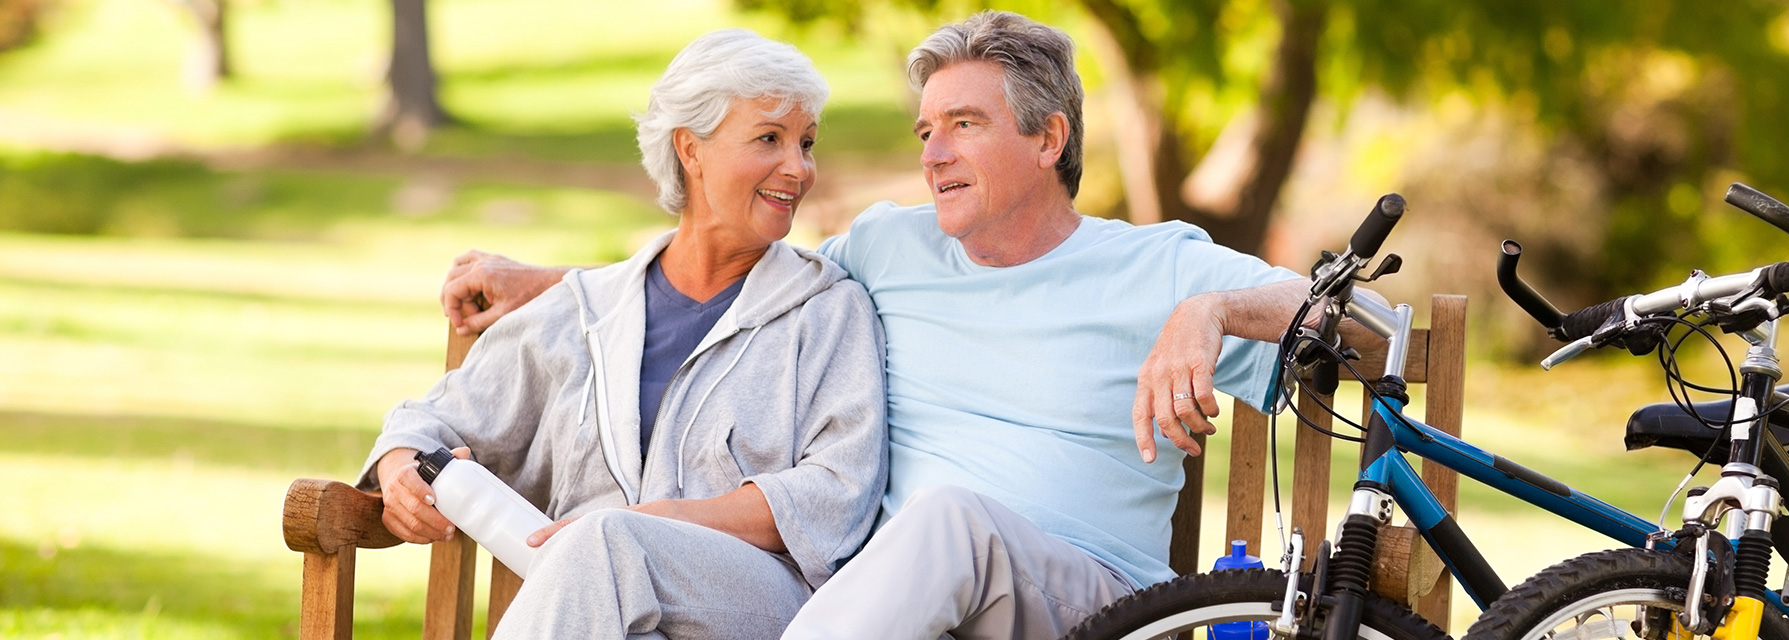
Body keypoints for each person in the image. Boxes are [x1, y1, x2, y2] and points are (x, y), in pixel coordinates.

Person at [444, 12, 1377, 639]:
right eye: (926, 130)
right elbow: (731, 273)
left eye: (963, 125)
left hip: (1087, 603)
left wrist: (1209, 312)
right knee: (611, 546)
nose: (932, 154)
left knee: (951, 521)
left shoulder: (1161, 263)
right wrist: (548, 283)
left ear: (1048, 139)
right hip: (878, 606)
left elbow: (1360, 322)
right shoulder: (889, 249)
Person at [357, 29, 888, 639]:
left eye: (808, 143)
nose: (798, 168)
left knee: (607, 537)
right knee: (607, 552)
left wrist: (648, 523)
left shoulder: (828, 311)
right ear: (690, 149)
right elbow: (426, 424)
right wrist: (401, 471)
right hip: (603, 616)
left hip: (762, 610)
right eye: (770, 138)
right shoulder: (581, 313)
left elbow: (836, 492)